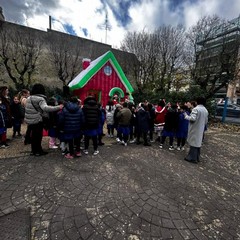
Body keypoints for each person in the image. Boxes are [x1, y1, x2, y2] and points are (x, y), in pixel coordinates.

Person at [24, 84, 63, 156]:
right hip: (37, 120)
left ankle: (33, 151)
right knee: (38, 136)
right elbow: (45, 108)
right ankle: (38, 151)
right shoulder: (40, 99)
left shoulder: (29, 98)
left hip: (30, 120)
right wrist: (58, 107)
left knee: (33, 136)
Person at [184, 96, 208, 163]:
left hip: (195, 128)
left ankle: (191, 158)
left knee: (193, 143)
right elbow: (206, 121)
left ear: (197, 102)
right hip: (201, 129)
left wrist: (186, 116)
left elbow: (192, 119)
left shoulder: (196, 109)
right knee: (198, 143)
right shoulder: (205, 110)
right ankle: (197, 157)